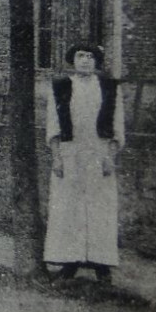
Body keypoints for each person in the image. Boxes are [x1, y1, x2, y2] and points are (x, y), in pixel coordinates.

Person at [44, 43, 125, 281]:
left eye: (91, 57)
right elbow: (53, 124)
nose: (86, 61)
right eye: (81, 56)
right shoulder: (60, 87)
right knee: (68, 206)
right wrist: (56, 157)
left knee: (100, 206)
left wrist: (111, 156)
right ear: (73, 60)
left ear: (97, 62)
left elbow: (117, 124)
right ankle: (69, 263)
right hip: (71, 153)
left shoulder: (109, 88)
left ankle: (102, 266)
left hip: (99, 154)